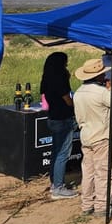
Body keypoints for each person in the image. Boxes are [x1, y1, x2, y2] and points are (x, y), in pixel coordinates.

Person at [73, 59, 112, 217]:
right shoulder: (102, 93)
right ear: (99, 76)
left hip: (86, 136)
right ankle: (102, 207)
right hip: (102, 137)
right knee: (104, 172)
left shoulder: (78, 92)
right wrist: (111, 90)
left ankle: (87, 204)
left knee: (88, 172)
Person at [40, 51, 78, 200]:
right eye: (65, 62)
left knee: (56, 152)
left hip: (53, 117)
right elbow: (67, 99)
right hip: (63, 118)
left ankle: (54, 183)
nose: (67, 64)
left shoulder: (47, 78)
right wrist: (76, 106)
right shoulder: (59, 78)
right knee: (63, 153)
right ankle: (58, 188)